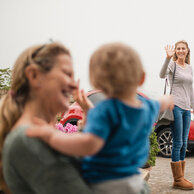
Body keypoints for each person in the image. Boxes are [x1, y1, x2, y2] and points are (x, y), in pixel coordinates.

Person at [26, 42, 174, 194]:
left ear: (95, 82)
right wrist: (168, 99)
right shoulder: (147, 108)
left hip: (103, 183)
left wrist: (51, 136)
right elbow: (161, 103)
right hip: (133, 182)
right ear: (141, 78)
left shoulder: (104, 111)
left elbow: (89, 144)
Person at [0, 42, 93, 194]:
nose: (74, 85)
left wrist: (90, 119)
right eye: (67, 74)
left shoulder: (36, 135)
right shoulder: (26, 140)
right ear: (34, 75)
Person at [159, 40, 194, 190]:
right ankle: (178, 178)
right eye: (178, 48)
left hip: (187, 108)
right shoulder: (172, 64)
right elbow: (161, 75)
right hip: (175, 106)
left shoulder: (189, 68)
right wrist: (167, 58)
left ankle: (180, 177)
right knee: (178, 142)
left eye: (183, 48)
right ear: (175, 51)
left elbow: (191, 89)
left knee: (184, 143)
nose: (181, 50)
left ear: (187, 51)